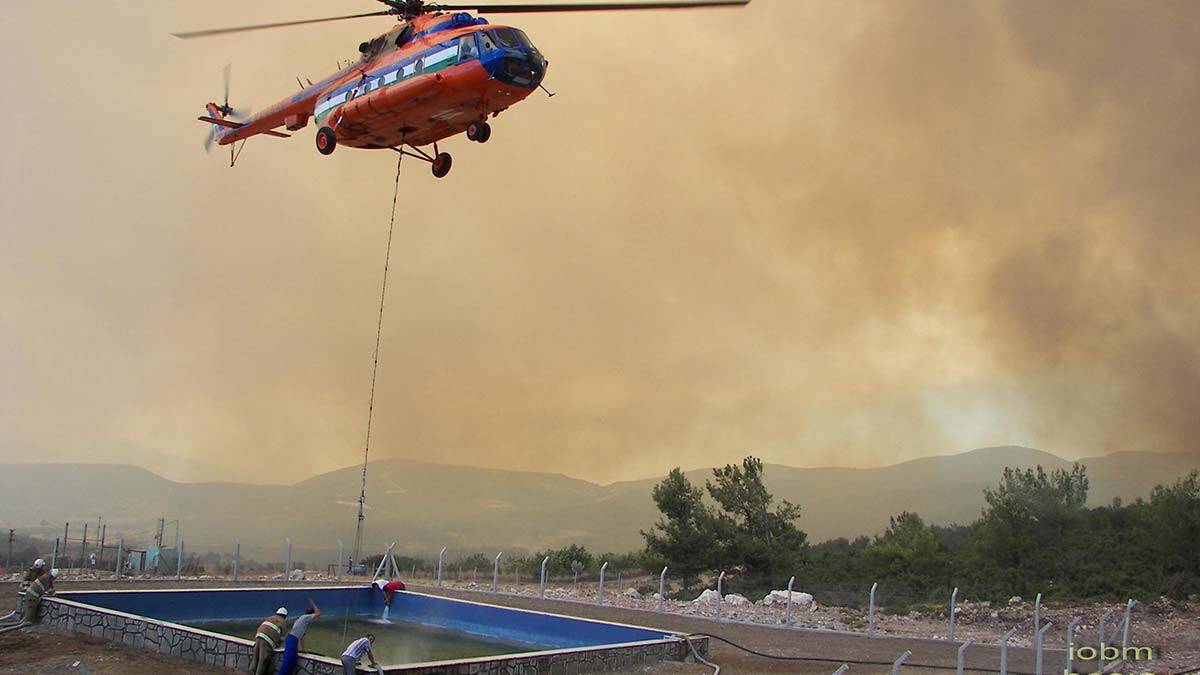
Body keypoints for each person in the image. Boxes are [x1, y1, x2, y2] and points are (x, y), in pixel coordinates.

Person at [275, 599, 320, 675]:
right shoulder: (305, 617)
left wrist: (303, 650)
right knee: (288, 661)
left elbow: (302, 638)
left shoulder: (303, 622)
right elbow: (318, 613)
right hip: (291, 639)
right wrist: (312, 603)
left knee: (292, 661)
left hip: (293, 640)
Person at [250, 607, 288, 675]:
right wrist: (278, 645)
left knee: (255, 659)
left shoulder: (269, 618)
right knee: (262, 661)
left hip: (258, 637)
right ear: (285, 616)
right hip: (267, 641)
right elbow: (283, 637)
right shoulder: (282, 622)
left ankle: (250, 673)